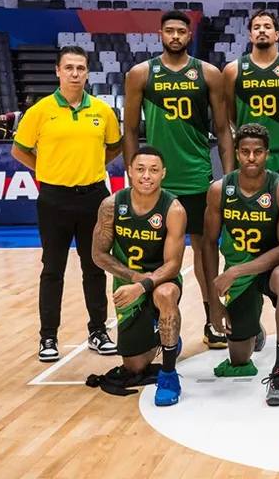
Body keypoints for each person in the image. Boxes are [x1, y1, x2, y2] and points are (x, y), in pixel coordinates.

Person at [123, 10, 234, 349]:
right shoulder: (141, 74)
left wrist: (227, 178)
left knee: (205, 252)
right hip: (156, 183)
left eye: (180, 32)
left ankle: (212, 319)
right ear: (160, 34)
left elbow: (222, 130)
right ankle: (155, 324)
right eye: (169, 31)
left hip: (197, 177)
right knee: (155, 255)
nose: (175, 36)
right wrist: (134, 174)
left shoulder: (208, 74)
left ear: (189, 35)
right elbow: (129, 129)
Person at [11, 46, 122, 361]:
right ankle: (48, 338)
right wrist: (46, 168)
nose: (75, 73)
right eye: (69, 67)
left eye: (81, 68)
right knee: (52, 269)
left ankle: (98, 331)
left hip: (94, 197)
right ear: (58, 71)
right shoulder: (40, 111)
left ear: (88, 72)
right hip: (54, 199)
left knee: (95, 266)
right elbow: (19, 151)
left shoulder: (102, 111)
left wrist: (91, 163)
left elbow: (113, 148)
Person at [201, 124, 279, 406]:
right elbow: (208, 244)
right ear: (236, 153)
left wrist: (237, 271)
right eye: (245, 152)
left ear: (267, 154)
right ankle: (254, 329)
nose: (251, 158)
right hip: (238, 276)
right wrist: (214, 303)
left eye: (258, 152)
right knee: (239, 358)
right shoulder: (220, 190)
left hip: (269, 269)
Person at [223, 10, 279, 340]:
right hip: (250, 162)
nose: (262, 31)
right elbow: (232, 116)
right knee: (244, 234)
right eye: (256, 27)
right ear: (249, 34)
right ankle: (247, 311)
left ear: (277, 34)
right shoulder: (233, 70)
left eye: (267, 27)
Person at [90, 146, 186, 406]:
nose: (147, 176)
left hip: (161, 281)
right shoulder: (111, 205)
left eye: (154, 170)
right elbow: (98, 254)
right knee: (134, 367)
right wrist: (133, 279)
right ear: (130, 171)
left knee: (165, 295)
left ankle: (168, 373)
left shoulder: (173, 209)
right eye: (141, 169)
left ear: (163, 174)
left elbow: (173, 265)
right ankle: (165, 337)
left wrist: (143, 285)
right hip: (128, 283)